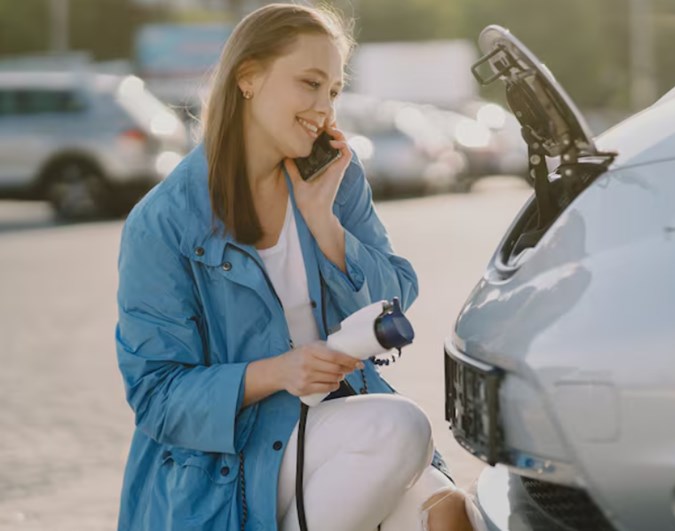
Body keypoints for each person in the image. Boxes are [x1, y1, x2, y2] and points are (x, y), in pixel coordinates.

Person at [115, 4, 485, 531]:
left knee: (450, 518)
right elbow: (158, 399)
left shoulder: (336, 177)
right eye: (309, 83)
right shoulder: (164, 222)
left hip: (341, 417)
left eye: (333, 90)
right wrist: (279, 372)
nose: (323, 108)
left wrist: (324, 224)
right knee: (399, 427)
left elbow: (395, 297)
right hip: (228, 456)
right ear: (248, 78)